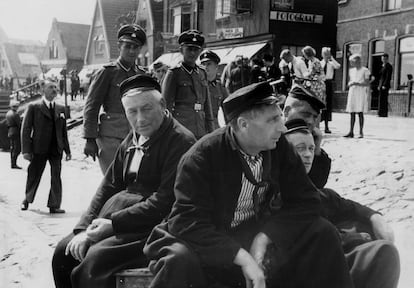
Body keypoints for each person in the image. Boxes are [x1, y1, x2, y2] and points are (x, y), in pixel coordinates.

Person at [144, 81, 353, 288]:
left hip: (252, 233)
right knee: (179, 260)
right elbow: (186, 222)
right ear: (243, 125)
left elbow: (306, 201)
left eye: (280, 117)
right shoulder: (201, 158)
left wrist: (265, 237)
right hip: (206, 240)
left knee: (322, 231)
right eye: (273, 120)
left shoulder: (278, 146)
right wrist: (240, 256)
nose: (282, 127)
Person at [52, 74, 196, 288]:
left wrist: (112, 226)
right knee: (63, 252)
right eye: (132, 111)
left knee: (94, 261)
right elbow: (109, 185)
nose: (140, 119)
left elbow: (164, 201)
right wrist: (83, 228)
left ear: (163, 104)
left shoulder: (181, 141)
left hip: (153, 226)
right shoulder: (133, 138)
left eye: (146, 109)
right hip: (117, 220)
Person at [284, 118, 400, 288]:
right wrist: (355, 238)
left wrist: (375, 217)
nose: (309, 154)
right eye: (300, 148)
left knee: (374, 237)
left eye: (311, 148)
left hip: (329, 264)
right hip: (309, 271)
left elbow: (343, 204)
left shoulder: (313, 191)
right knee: (384, 253)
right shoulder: (280, 191)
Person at [83, 24, 147, 174]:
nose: (132, 51)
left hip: (136, 137)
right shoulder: (107, 73)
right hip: (110, 138)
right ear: (119, 46)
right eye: (128, 46)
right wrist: (89, 139)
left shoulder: (142, 75)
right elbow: (91, 107)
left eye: (136, 47)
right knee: (112, 183)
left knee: (133, 181)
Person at [20, 79, 71, 213]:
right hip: (39, 148)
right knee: (34, 174)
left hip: (56, 148)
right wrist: (26, 150)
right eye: (50, 87)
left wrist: (67, 150)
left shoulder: (60, 108)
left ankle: (54, 205)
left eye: (55, 87)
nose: (54, 89)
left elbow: (63, 131)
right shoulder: (34, 107)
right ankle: (27, 199)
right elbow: (25, 129)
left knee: (56, 176)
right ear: (43, 91)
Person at [162, 29, 214, 139]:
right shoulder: (174, 73)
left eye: (196, 49)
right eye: (189, 49)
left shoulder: (202, 72)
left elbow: (207, 106)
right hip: (181, 129)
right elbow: (166, 106)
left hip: (200, 128)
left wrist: (211, 132)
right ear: (181, 50)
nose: (192, 53)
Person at [199, 49, 228, 128]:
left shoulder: (220, 87)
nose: (205, 67)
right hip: (198, 126)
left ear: (216, 67)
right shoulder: (196, 85)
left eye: (209, 64)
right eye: (203, 64)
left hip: (214, 126)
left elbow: (227, 110)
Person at [344, 54, 370, 138]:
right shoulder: (351, 71)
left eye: (353, 62)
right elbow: (350, 80)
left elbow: (367, 83)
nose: (352, 63)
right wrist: (350, 83)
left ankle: (361, 132)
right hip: (353, 91)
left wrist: (357, 83)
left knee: (360, 112)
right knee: (352, 111)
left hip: (360, 92)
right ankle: (351, 131)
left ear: (358, 61)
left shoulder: (365, 70)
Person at [320, 46, 341, 133]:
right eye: (325, 54)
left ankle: (326, 126)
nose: (326, 56)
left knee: (328, 105)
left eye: (328, 54)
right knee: (321, 104)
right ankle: (318, 124)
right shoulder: (320, 63)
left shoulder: (331, 64)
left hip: (328, 83)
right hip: (321, 83)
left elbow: (338, 66)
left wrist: (332, 58)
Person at [5, 99, 22, 169]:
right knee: (17, 148)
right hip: (16, 131)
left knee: (12, 148)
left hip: (10, 131)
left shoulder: (8, 113)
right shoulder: (16, 114)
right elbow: (19, 124)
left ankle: (12, 163)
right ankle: (14, 163)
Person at [378, 53, 393, 117]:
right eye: (382, 58)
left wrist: (384, 85)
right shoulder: (382, 66)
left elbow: (388, 76)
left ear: (387, 59)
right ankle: (380, 113)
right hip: (381, 84)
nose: (383, 60)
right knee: (381, 99)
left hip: (385, 85)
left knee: (384, 99)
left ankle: (384, 113)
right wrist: (379, 85)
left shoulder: (388, 66)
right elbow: (381, 77)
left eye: (384, 59)